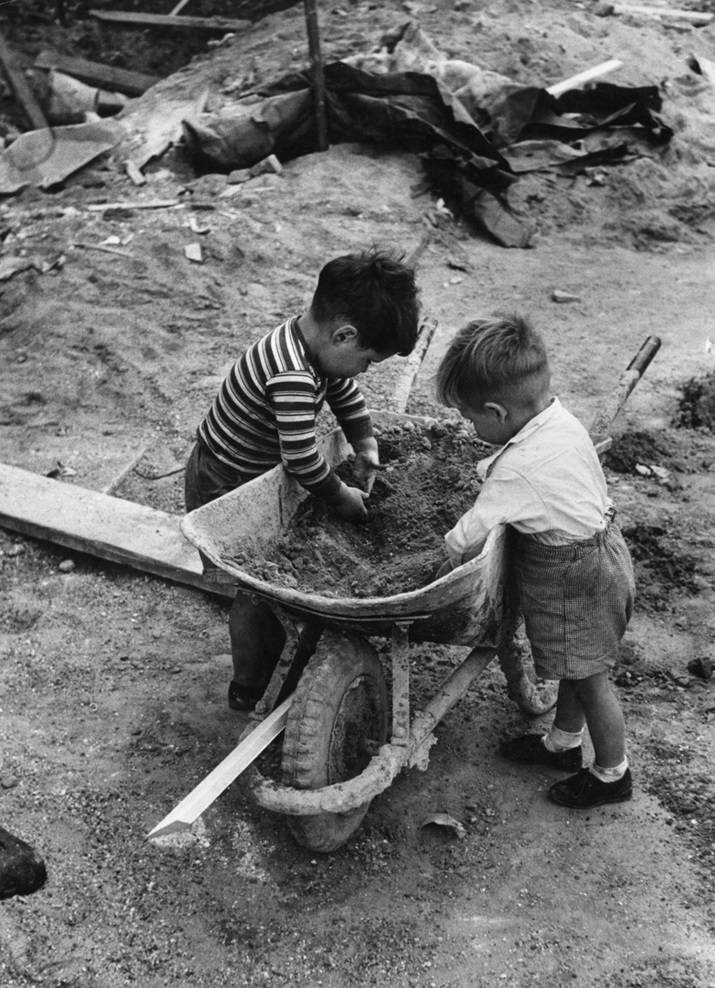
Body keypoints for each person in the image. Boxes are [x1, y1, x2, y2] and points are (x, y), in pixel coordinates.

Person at [185, 248, 420, 712]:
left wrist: (365, 444)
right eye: (369, 360)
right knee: (255, 592)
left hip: (252, 466)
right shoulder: (292, 372)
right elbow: (301, 459)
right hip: (227, 480)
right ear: (344, 334)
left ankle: (268, 630)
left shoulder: (312, 343)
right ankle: (248, 685)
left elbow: (343, 390)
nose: (365, 371)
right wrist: (341, 499)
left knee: (261, 590)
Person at [435, 314, 635, 809]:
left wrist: (439, 565)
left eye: (469, 416)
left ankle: (613, 774)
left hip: (576, 575)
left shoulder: (517, 469)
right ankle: (563, 744)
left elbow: (468, 535)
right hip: (603, 553)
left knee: (590, 680)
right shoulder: (561, 422)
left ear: (498, 413)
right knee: (575, 664)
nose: (467, 425)